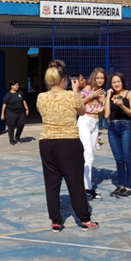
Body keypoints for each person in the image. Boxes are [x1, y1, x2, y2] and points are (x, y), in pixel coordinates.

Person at [37, 60, 99, 232]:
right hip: (69, 141)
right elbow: (82, 111)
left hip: (47, 142)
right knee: (75, 182)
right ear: (64, 80)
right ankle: (84, 219)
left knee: (51, 183)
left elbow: (43, 112)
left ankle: (56, 221)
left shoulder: (41, 97)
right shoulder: (72, 96)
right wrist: (75, 92)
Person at [104, 73, 131, 198]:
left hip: (126, 126)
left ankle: (129, 186)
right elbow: (106, 115)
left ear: (122, 82)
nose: (116, 84)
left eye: (118, 81)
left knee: (127, 158)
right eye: (113, 82)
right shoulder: (110, 96)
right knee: (118, 159)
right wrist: (107, 97)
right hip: (112, 127)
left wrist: (121, 104)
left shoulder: (130, 93)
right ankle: (121, 184)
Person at [78, 67, 107, 200]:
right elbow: (78, 102)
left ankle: (86, 182)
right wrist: (91, 96)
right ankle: (87, 188)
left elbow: (102, 112)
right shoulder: (89, 88)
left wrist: (102, 108)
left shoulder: (103, 92)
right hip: (85, 121)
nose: (100, 80)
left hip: (95, 123)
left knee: (90, 155)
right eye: (98, 78)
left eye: (102, 78)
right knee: (88, 155)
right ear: (94, 78)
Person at [1, 80, 29, 146]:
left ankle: (17, 137)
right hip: (11, 113)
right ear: (12, 86)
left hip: (20, 112)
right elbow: (4, 105)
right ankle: (11, 140)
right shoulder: (8, 95)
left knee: (21, 125)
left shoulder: (20, 93)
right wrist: (2, 114)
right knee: (11, 126)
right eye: (16, 85)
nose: (17, 86)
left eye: (18, 85)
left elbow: (23, 101)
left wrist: (27, 109)